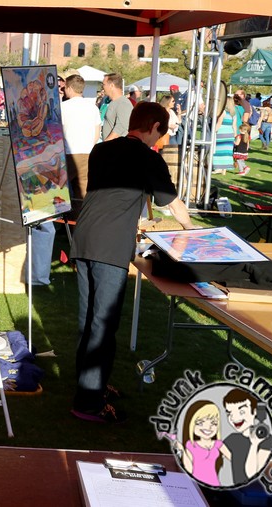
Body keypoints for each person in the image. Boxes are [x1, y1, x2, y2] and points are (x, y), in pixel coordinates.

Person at [69, 101, 195, 423]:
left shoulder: (101, 150)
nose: (159, 140)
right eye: (160, 134)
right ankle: (89, 403)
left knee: (88, 321)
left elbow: (112, 196)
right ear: (154, 127)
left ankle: (91, 386)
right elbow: (172, 204)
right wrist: (195, 233)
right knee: (102, 325)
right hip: (109, 246)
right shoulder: (147, 157)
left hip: (84, 238)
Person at [60, 75, 101, 216]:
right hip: (87, 153)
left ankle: (63, 223)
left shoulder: (63, 107)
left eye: (65, 87)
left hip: (68, 154)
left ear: (70, 88)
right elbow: (97, 133)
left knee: (60, 192)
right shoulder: (93, 108)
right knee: (82, 194)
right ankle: (80, 223)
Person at [222, 389, 272, 485]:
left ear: (254, 411)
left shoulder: (266, 440)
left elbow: (252, 474)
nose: (234, 417)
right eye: (229, 413)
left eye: (241, 412)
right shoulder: (232, 438)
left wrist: (254, 444)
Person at [174, 400, 230, 486]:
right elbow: (189, 469)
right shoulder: (191, 445)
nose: (208, 427)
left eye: (214, 423)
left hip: (214, 484)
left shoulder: (218, 444)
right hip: (195, 484)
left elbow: (234, 459)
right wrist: (181, 450)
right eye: (200, 423)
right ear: (191, 424)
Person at [100, 73, 132, 141]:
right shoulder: (109, 102)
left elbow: (121, 128)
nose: (102, 87)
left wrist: (104, 144)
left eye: (103, 84)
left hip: (114, 146)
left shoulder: (123, 104)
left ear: (111, 85)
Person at [212, 97, 237, 174]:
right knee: (227, 151)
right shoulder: (233, 114)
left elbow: (219, 123)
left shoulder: (223, 112)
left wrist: (213, 131)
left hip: (221, 132)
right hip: (230, 133)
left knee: (218, 150)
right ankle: (224, 169)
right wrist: (235, 135)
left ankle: (218, 167)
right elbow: (234, 126)